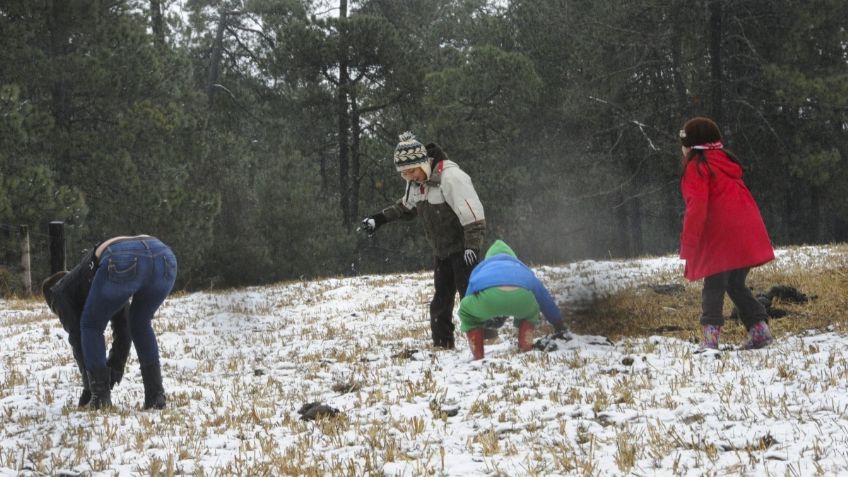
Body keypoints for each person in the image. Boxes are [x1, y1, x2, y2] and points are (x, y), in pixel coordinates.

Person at [362, 132, 485, 349]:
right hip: (442, 251)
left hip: (463, 248)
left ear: (424, 163)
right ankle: (442, 344)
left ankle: (485, 340)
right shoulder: (417, 184)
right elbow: (406, 208)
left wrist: (472, 247)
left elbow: (472, 214)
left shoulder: (451, 177)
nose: (409, 177)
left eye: (412, 171)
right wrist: (378, 219)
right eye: (404, 174)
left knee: (471, 297)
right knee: (440, 302)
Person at [678, 117, 775, 350]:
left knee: (713, 286)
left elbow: (697, 208)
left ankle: (710, 341)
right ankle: (759, 331)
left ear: (691, 146)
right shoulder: (725, 161)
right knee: (735, 284)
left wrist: (689, 244)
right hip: (746, 232)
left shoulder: (697, 167)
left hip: (721, 237)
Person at [79, 235, 178, 409]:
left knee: (91, 324)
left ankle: (100, 397)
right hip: (165, 256)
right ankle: (155, 395)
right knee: (141, 322)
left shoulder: (91, 260)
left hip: (122, 258)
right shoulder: (132, 240)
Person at [42, 257, 132, 408]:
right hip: (115, 277)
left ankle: (98, 394)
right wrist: (116, 366)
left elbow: (78, 340)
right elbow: (125, 326)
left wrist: (89, 387)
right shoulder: (84, 281)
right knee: (123, 324)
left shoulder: (59, 293)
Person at [458, 239, 566, 360]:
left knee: (466, 311)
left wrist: (479, 315)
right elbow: (543, 297)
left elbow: (470, 294)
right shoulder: (521, 268)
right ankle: (525, 344)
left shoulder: (481, 268)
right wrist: (559, 324)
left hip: (488, 299)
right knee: (532, 310)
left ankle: (478, 353)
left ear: (488, 258)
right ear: (513, 256)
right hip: (521, 301)